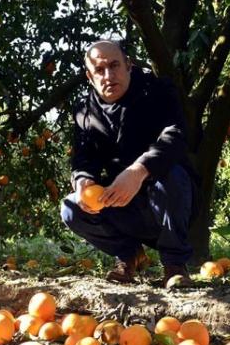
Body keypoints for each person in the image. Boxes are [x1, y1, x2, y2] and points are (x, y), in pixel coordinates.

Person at [60, 40, 199, 287]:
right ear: (89, 76)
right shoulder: (85, 111)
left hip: (169, 201)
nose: (108, 76)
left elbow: (175, 136)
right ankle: (129, 255)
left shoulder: (157, 91)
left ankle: (175, 265)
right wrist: (83, 181)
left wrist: (138, 171)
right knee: (71, 208)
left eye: (114, 66)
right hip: (122, 204)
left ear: (129, 66)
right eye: (99, 70)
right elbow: (83, 158)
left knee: (172, 175)